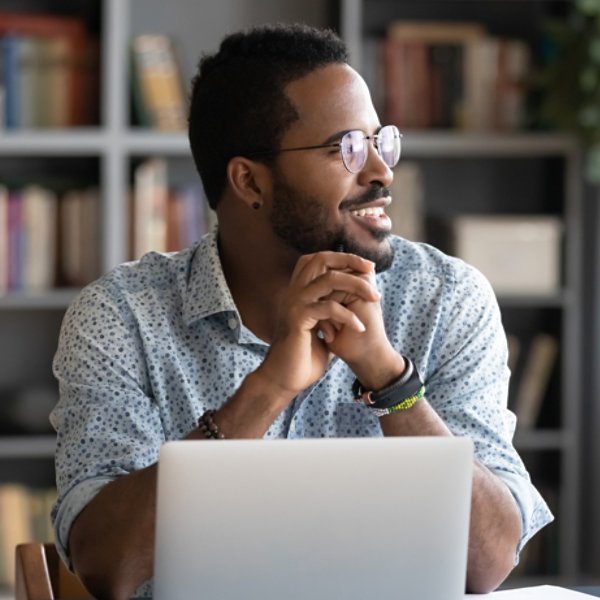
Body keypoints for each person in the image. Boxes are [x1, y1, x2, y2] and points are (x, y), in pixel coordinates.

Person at [51, 23, 552, 600]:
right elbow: (107, 566)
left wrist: (390, 381)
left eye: (380, 142)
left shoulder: (447, 298)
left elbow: (488, 563)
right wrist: (267, 389)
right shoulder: (122, 317)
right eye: (347, 148)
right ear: (249, 181)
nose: (381, 173)